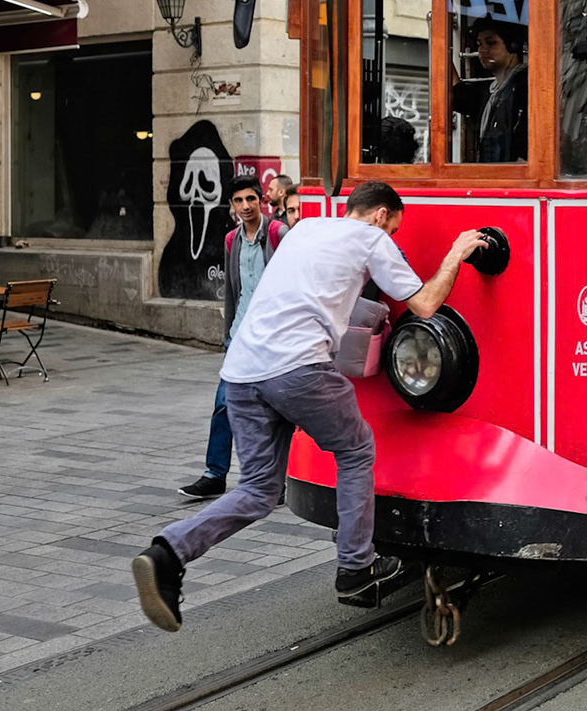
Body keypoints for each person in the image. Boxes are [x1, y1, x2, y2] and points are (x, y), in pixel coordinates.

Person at [132, 181, 492, 632]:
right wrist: (456, 253)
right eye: (395, 229)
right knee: (357, 449)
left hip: (242, 372)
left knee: (259, 491)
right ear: (381, 216)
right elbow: (424, 304)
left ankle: (168, 552)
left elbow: (314, 290)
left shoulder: (303, 230)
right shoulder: (373, 239)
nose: (393, 238)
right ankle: (356, 570)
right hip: (298, 369)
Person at [179, 175, 287, 501]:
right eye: (239, 201)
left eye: (251, 199)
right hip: (240, 336)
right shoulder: (231, 241)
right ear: (232, 205)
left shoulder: (278, 234)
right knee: (224, 404)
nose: (245, 206)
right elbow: (231, 292)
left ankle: (278, 479)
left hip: (274, 338)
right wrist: (227, 334)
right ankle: (214, 474)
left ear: (261, 201)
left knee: (279, 408)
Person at [472, 22, 529, 163]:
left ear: (513, 46)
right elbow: (455, 93)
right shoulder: (492, 92)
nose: (483, 50)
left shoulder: (525, 86)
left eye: (491, 43)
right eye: (479, 44)